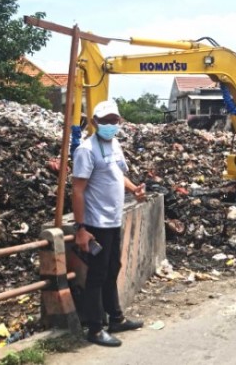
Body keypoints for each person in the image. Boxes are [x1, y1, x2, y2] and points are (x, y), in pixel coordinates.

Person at [72, 100, 146, 347]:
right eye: (105, 121)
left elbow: (117, 173)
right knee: (97, 274)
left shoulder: (114, 144)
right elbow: (78, 190)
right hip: (96, 223)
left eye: (114, 120)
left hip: (114, 219)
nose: (110, 125)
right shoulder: (86, 150)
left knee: (113, 267)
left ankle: (116, 318)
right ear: (94, 123)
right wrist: (81, 229)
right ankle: (94, 329)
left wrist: (134, 188)